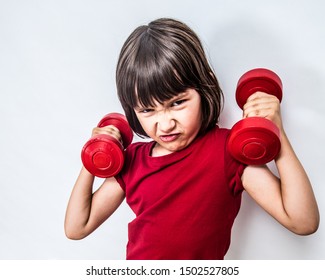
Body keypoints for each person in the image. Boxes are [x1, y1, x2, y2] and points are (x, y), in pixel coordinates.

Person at [64, 18, 319, 260]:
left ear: (204, 84)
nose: (165, 123)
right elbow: (77, 227)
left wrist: (276, 132)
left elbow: (302, 221)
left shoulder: (227, 152)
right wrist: (95, 153)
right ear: (132, 110)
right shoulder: (133, 162)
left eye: (177, 103)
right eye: (147, 110)